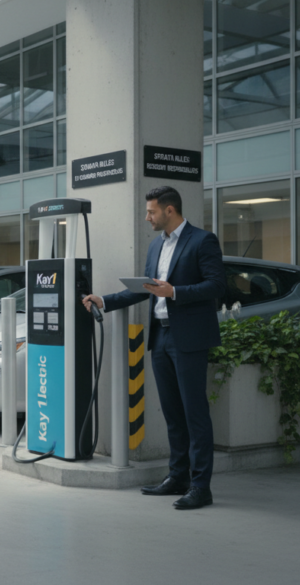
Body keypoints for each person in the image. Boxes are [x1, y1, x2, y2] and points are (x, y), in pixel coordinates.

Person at [82, 186, 226, 510]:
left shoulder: (203, 241)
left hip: (189, 338)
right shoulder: (156, 246)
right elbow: (145, 289)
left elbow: (217, 285)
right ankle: (179, 477)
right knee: (173, 414)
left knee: (195, 414)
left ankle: (201, 487)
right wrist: (103, 300)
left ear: (169, 210)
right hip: (160, 338)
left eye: (151, 212)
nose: (147, 217)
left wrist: (175, 291)